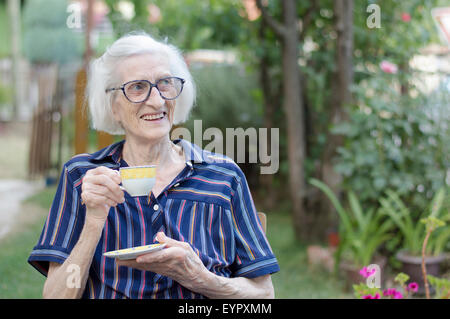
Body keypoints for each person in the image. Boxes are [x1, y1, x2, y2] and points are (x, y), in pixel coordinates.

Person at [28, 32, 280, 299]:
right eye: (137, 87)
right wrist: (93, 222)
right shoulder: (82, 177)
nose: (157, 100)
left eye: (165, 83)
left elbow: (263, 295)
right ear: (113, 106)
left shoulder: (224, 177)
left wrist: (200, 278)